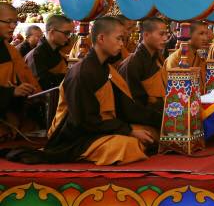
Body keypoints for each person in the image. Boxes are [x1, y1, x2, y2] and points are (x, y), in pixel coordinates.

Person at [9, 17, 157, 165]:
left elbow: (124, 106)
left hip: (102, 127)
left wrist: (153, 119)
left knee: (149, 132)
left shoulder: (105, 68)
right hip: (77, 136)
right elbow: (84, 120)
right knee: (128, 146)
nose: (122, 44)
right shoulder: (82, 73)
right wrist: (128, 130)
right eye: (118, 39)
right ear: (101, 38)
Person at [118, 17, 168, 129]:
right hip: (143, 121)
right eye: (161, 34)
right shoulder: (133, 64)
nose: (165, 38)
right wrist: (163, 118)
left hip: (160, 114)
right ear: (146, 35)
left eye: (166, 34)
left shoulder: (157, 59)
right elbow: (132, 106)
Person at [0, 2, 40, 140]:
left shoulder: (10, 49)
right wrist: (11, 92)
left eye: (15, 22)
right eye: (8, 22)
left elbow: (24, 77)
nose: (13, 26)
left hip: (11, 120)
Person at [25, 15, 74, 91]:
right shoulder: (37, 55)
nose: (68, 37)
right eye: (66, 33)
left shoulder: (56, 51)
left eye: (69, 33)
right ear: (52, 32)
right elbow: (43, 84)